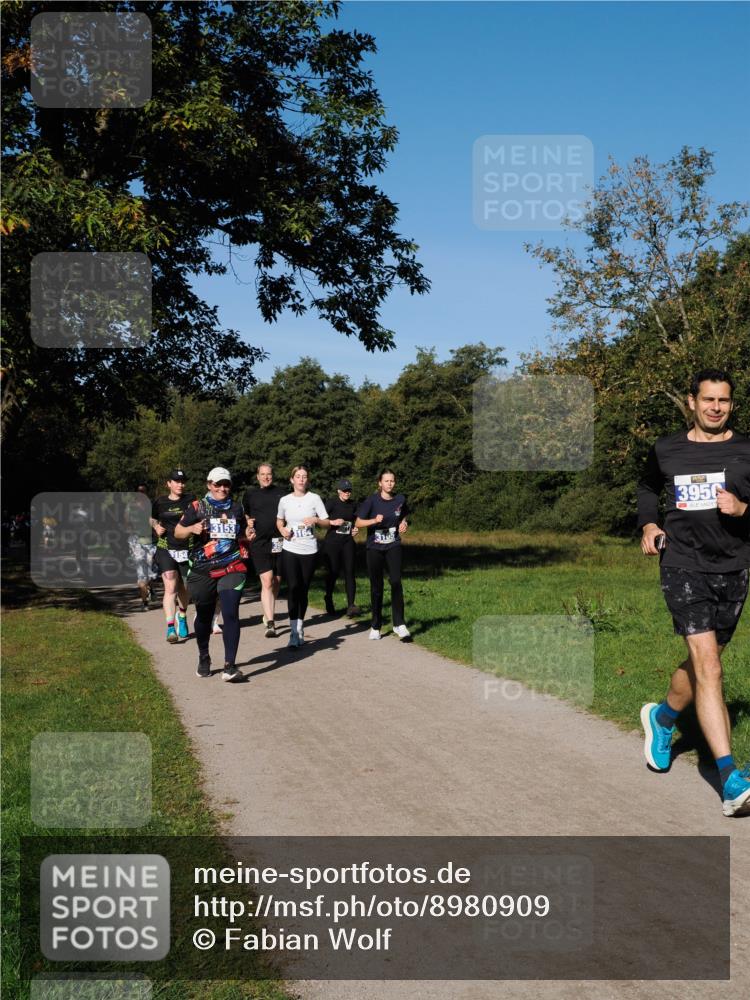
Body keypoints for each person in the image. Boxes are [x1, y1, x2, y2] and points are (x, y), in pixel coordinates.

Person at [637, 369, 750, 817]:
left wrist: (744, 509)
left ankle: (662, 718)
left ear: (732, 406)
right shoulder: (667, 448)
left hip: (734, 566)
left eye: (723, 401)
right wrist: (648, 523)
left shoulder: (747, 449)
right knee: (710, 667)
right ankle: (730, 778)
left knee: (709, 663)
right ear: (692, 401)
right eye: (708, 400)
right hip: (682, 565)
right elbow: (647, 485)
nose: (716, 408)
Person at [175, 467, 254, 682]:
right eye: (217, 484)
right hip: (203, 570)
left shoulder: (237, 508)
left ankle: (230, 666)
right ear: (209, 484)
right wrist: (192, 529)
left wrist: (248, 534)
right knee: (204, 616)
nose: (222, 488)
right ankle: (204, 655)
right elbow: (178, 532)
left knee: (230, 613)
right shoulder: (197, 507)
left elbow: (242, 534)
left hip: (232, 565)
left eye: (226, 484)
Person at [276, 466, 329, 647]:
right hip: (290, 548)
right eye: (298, 476)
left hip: (309, 550)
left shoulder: (314, 498)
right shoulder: (284, 500)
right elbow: (279, 520)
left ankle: (300, 627)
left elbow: (327, 523)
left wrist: (316, 520)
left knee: (303, 589)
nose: (301, 479)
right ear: (292, 480)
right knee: (293, 587)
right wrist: (282, 529)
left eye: (304, 476)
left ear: (308, 480)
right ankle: (293, 633)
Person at [356, 469, 410, 641]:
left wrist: (404, 522)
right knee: (376, 587)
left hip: (393, 545)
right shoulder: (372, 501)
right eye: (386, 481)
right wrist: (373, 521)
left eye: (392, 481)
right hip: (375, 548)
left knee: (395, 581)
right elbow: (358, 522)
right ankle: (376, 625)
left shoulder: (400, 499)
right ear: (380, 483)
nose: (389, 484)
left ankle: (399, 624)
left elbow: (404, 514)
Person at [243, 463, 287, 638]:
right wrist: (248, 523)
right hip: (259, 542)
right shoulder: (250, 494)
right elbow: (245, 514)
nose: (266, 477)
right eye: (263, 474)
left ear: (272, 476)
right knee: (267, 581)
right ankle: (270, 622)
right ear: (257, 476)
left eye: (269, 474)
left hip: (279, 541)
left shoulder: (282, 493)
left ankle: (268, 609)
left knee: (276, 580)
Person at [151, 469, 195, 643]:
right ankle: (170, 628)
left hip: (187, 548)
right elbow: (152, 518)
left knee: (185, 587)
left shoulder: (191, 500)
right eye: (176, 481)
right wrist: (155, 526)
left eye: (182, 481)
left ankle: (182, 616)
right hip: (165, 548)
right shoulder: (160, 502)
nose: (180, 484)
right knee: (171, 587)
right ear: (168, 483)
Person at [322, 478, 361, 616]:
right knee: (333, 572)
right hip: (332, 542)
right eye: (344, 490)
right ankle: (328, 597)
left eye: (349, 490)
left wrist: (356, 528)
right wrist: (333, 522)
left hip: (347, 541)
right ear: (339, 491)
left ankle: (351, 605)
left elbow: (357, 521)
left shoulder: (354, 504)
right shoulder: (332, 503)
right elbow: (321, 520)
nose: (347, 493)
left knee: (350, 572)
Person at [126, 487, 156, 611]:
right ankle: (144, 602)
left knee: (150, 572)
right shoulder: (130, 507)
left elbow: (155, 521)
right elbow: (126, 523)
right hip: (136, 542)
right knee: (141, 573)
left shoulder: (151, 507)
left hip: (150, 542)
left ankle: (151, 588)